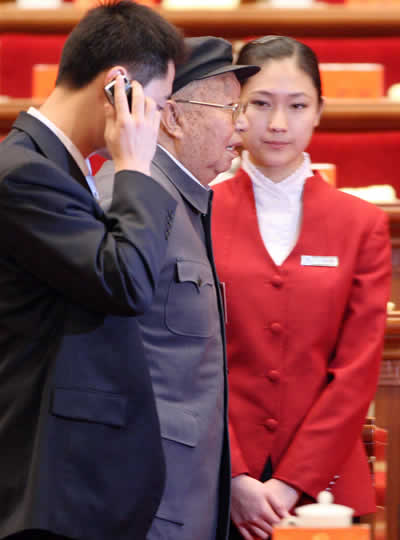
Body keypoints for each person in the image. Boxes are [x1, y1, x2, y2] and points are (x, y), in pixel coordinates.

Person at [0, 2, 184, 540]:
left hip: (76, 485)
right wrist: (135, 167)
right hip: (52, 489)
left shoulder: (54, 165)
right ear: (117, 87)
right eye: (155, 105)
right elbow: (125, 282)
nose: (156, 122)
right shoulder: (22, 172)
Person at [211, 36, 392, 540]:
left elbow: (357, 370)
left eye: (297, 106)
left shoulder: (361, 224)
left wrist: (291, 483)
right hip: (214, 477)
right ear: (235, 109)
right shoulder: (196, 212)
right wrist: (235, 476)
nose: (277, 124)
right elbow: (186, 360)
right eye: (260, 104)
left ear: (319, 112)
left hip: (324, 488)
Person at [96, 36, 259, 540]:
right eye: (231, 109)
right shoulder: (128, 199)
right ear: (172, 117)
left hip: (186, 498)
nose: (243, 125)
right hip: (144, 506)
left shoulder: (182, 198)